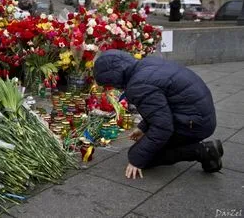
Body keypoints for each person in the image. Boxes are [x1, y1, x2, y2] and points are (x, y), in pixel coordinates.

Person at [93, 50, 223, 179]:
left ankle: (202, 151)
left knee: (142, 155)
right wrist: (143, 128)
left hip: (195, 124)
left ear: (113, 78)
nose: (113, 88)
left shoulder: (137, 85)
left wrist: (137, 160)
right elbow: (162, 107)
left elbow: (163, 126)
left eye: (109, 84)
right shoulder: (145, 65)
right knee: (148, 145)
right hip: (200, 116)